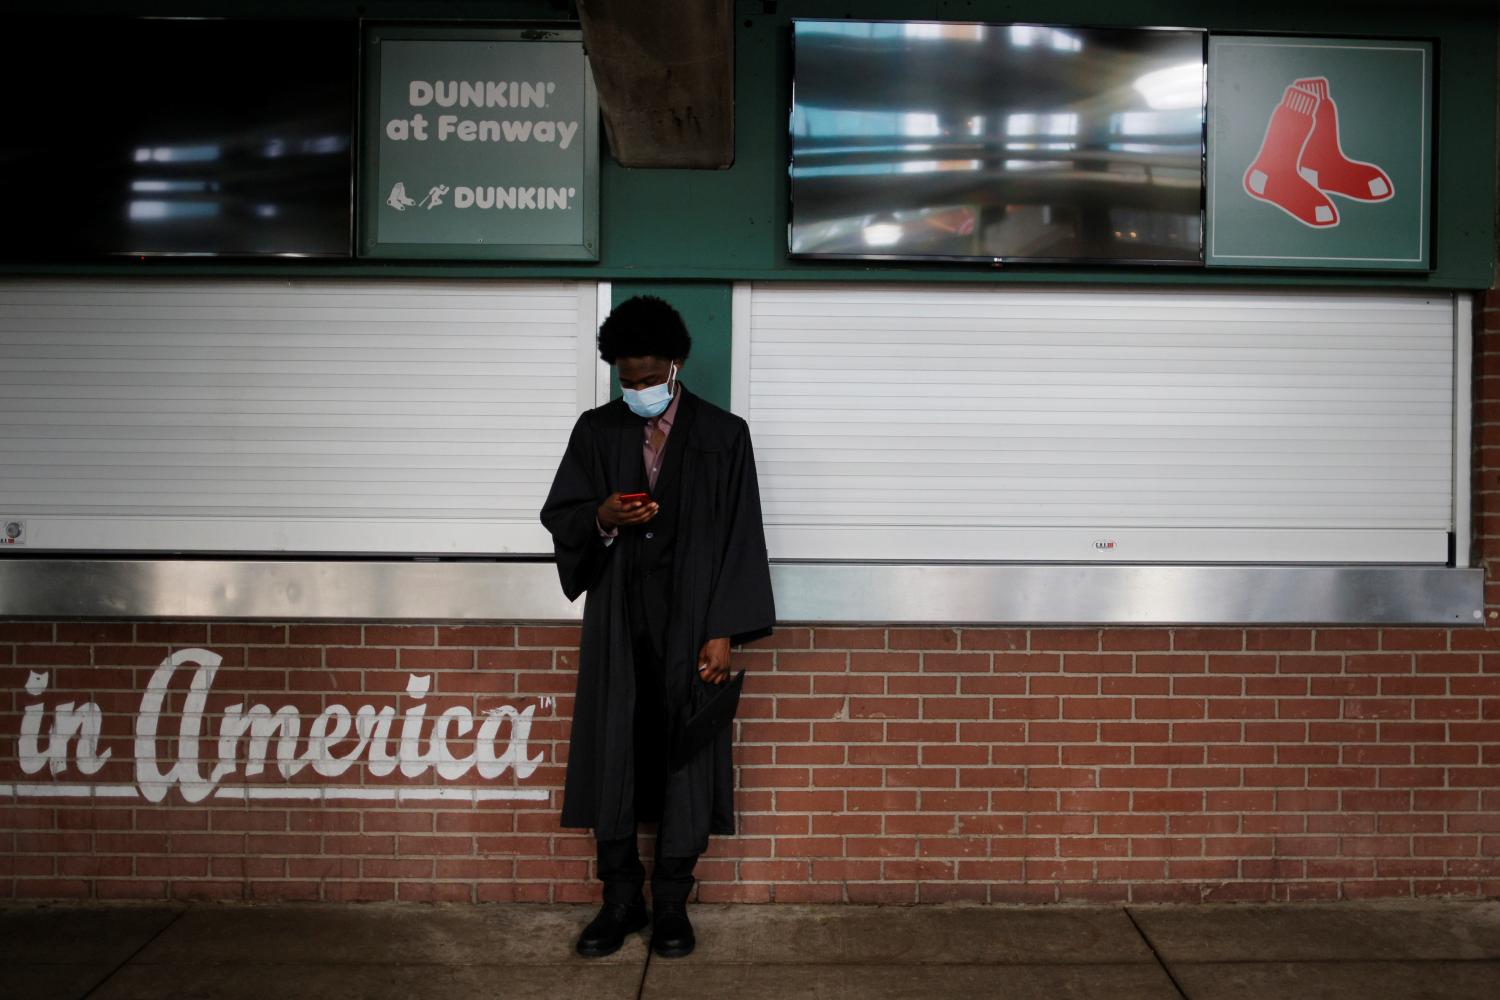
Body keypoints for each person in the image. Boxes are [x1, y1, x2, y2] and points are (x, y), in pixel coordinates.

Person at [540, 295, 775, 960]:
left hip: (695, 616)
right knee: (613, 749)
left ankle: (672, 901)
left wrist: (724, 630)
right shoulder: (597, 431)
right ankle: (620, 900)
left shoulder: (723, 436)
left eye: (648, 377)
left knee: (687, 755)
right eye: (627, 379)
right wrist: (604, 516)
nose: (638, 389)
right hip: (618, 615)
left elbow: (741, 534)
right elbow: (563, 513)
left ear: (675, 364)